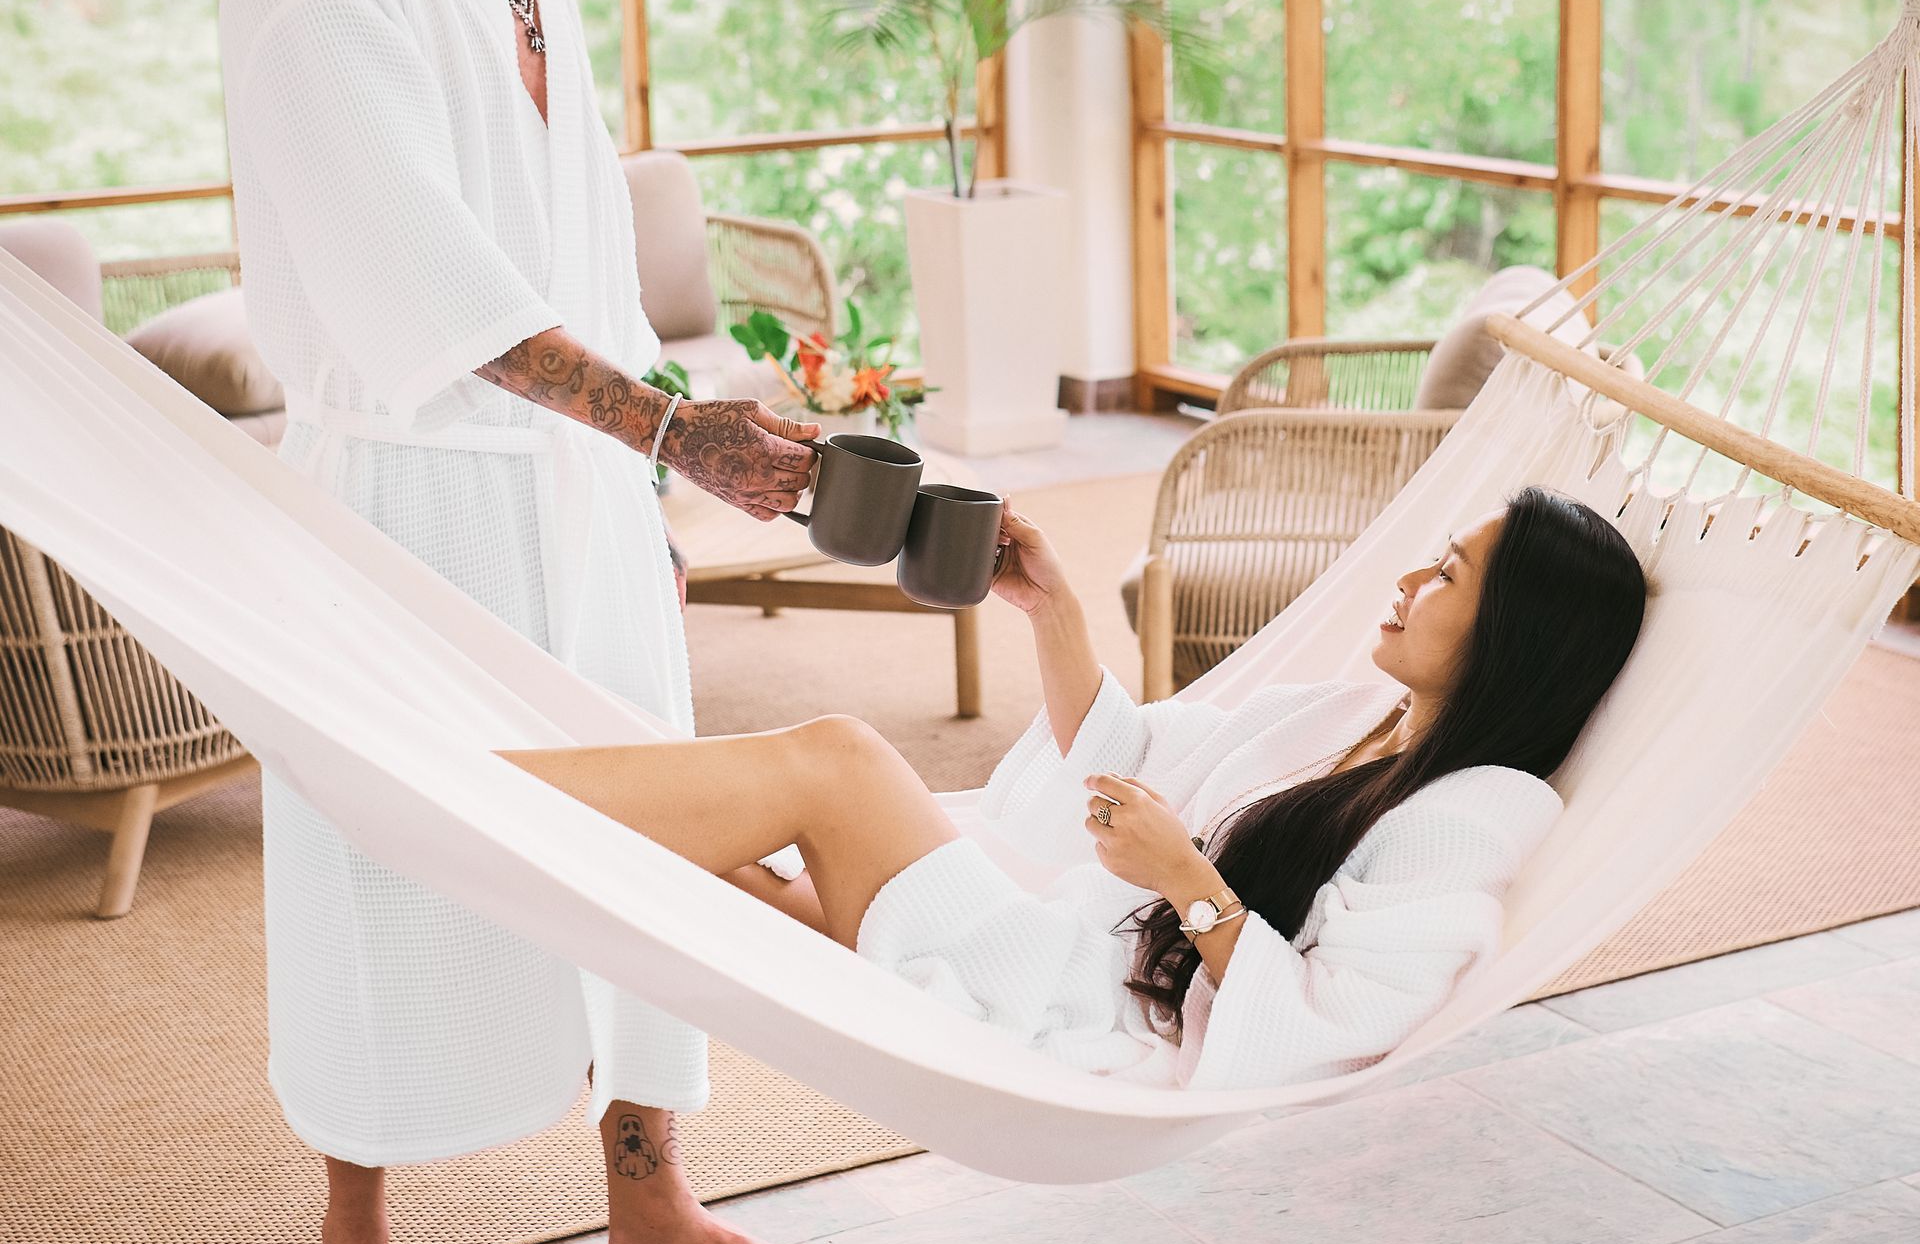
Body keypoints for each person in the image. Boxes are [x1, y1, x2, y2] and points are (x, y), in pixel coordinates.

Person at [221, 0, 863, 1244]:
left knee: (646, 831)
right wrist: (676, 433)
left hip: (576, 492)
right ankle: (353, 1238)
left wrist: (641, 482)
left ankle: (652, 1206)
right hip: (410, 502)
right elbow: (418, 272)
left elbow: (574, 247)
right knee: (387, 857)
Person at [504, 487, 1647, 1091]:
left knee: (838, 762)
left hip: (1085, 1000)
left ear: (1509, 632)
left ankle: (475, 788)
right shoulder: (1355, 719)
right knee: (725, 866)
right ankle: (468, 805)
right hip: (1071, 935)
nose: (1405, 579)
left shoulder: (1474, 812)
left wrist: (1189, 879)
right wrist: (1053, 611)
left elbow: (1335, 1025)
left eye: (1444, 573)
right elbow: (1136, 752)